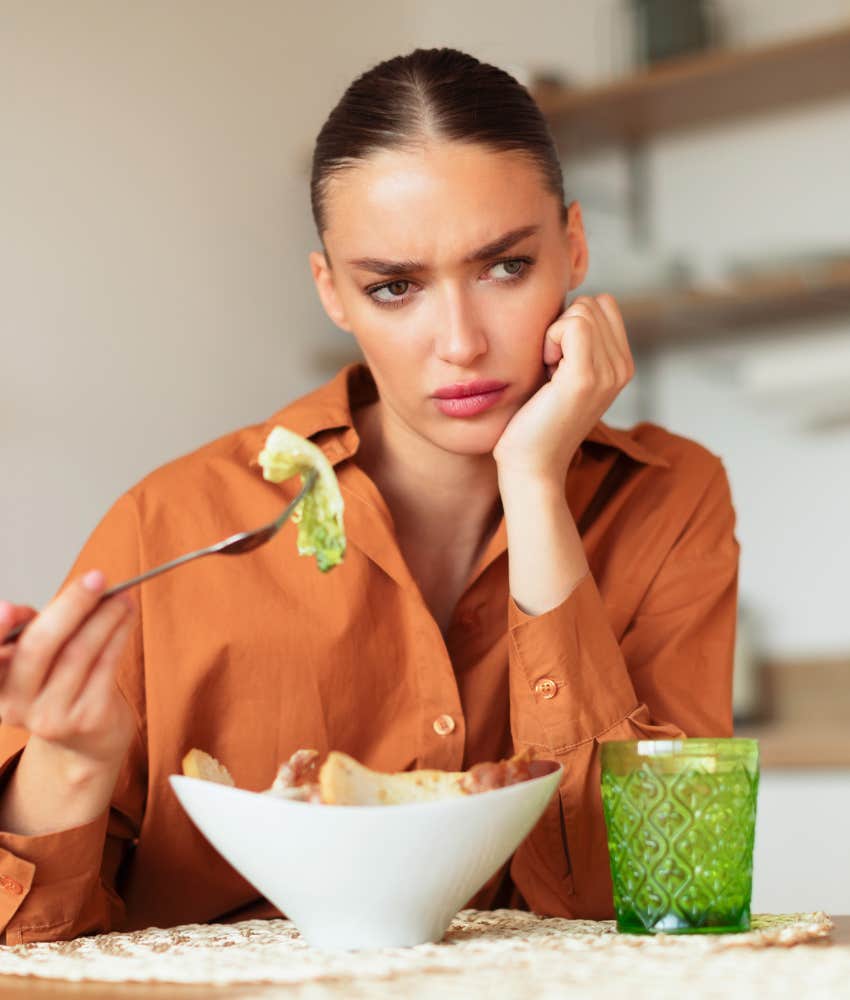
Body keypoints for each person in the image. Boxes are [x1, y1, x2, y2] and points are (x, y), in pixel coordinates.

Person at [0, 48, 738, 944]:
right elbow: (29, 943)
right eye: (394, 287)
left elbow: (648, 905)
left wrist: (535, 482)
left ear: (573, 248)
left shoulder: (669, 498)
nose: (460, 343)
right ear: (333, 294)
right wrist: (71, 760)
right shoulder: (175, 522)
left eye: (505, 267)